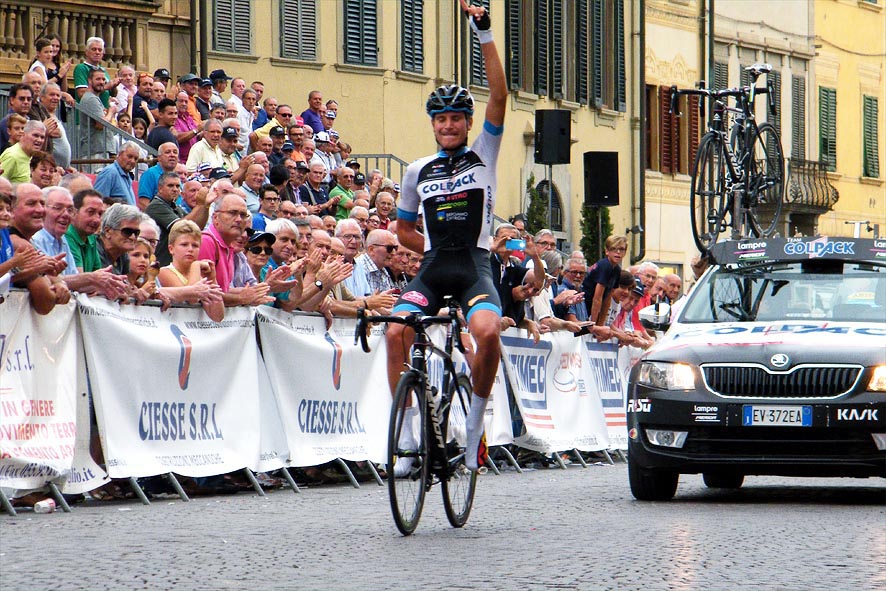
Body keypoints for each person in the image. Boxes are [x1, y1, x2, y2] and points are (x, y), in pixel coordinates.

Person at [387, 1, 506, 473]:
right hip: (435, 268)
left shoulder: (486, 152)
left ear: (468, 122)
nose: (449, 125)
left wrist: (483, 32)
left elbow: (499, 94)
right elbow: (401, 229)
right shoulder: (417, 170)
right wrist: (430, 249)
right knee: (395, 330)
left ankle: (474, 426)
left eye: (457, 118)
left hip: (475, 265)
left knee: (488, 333)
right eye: (441, 119)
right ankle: (410, 435)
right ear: (433, 124)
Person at [158, 219, 224, 322]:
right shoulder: (164, 272)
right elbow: (192, 298)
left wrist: (212, 278)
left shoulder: (199, 276)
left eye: (195, 245)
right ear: (171, 249)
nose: (190, 249)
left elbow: (217, 316)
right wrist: (195, 265)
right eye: (184, 245)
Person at [145, 170, 215, 265]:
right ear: (160, 188)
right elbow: (181, 228)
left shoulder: (174, 206)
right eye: (170, 186)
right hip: (160, 265)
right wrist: (199, 205)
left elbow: (197, 227)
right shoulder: (156, 206)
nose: (175, 189)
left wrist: (205, 206)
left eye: (178, 186)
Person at [582, 234, 628, 327]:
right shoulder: (605, 266)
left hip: (592, 309)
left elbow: (607, 298)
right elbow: (597, 298)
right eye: (614, 249)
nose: (618, 252)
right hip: (583, 306)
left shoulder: (617, 270)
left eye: (621, 249)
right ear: (607, 251)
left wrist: (600, 325)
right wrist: (593, 325)